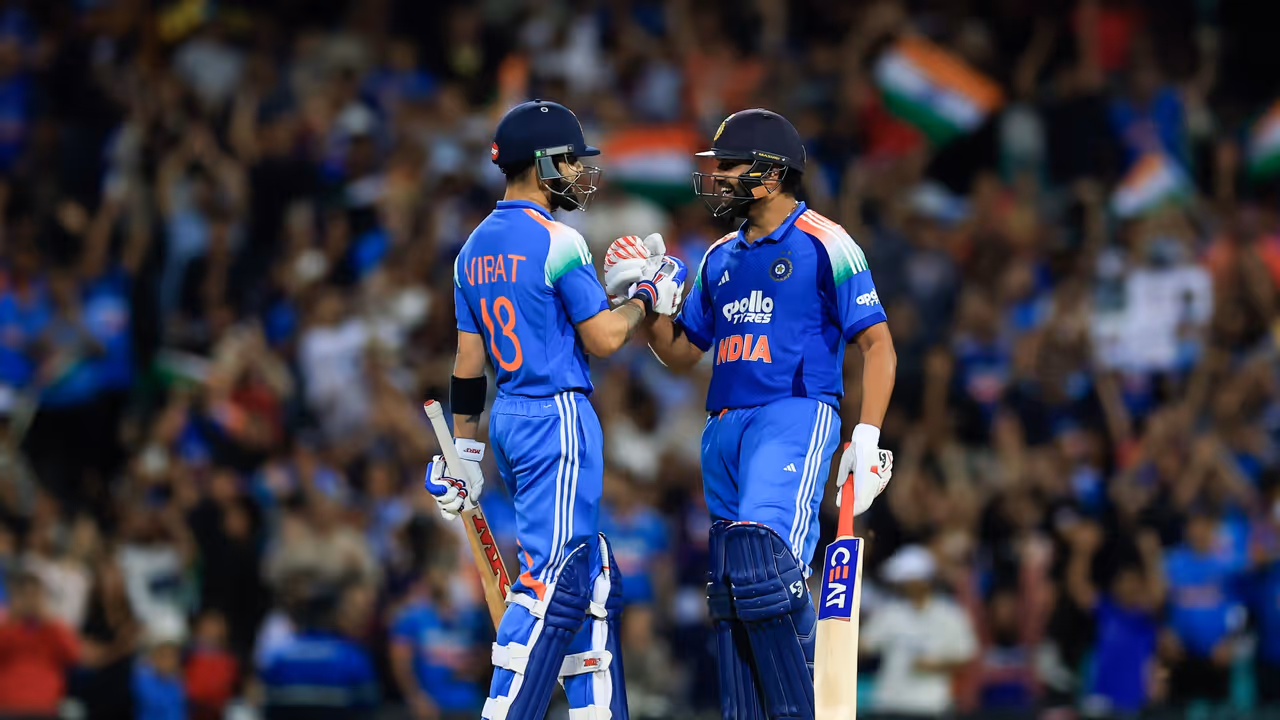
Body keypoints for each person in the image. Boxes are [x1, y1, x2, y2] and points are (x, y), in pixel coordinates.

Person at [611, 108, 896, 719]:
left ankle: (805, 707)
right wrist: (649, 302)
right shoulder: (719, 256)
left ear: (769, 175)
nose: (717, 178)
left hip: (791, 415)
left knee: (764, 565)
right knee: (731, 590)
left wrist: (867, 436)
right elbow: (681, 354)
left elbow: (878, 345)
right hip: (723, 429)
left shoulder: (826, 241)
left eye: (730, 167)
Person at [426, 99, 685, 720]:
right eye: (570, 161)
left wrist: (465, 452)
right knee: (557, 576)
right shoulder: (558, 241)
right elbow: (605, 338)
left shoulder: (471, 249)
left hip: (510, 418)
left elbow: (468, 364)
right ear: (542, 163)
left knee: (592, 581)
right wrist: (647, 294)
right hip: (558, 418)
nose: (578, 172)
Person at [860, 545, 978, 718]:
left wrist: (936, 665)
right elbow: (863, 646)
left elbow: (966, 657)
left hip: (931, 706)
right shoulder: (890, 611)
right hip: (889, 704)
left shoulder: (950, 614)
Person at [258, 581, 379, 719]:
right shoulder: (352, 658)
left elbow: (268, 706)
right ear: (333, 616)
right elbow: (368, 707)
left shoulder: (278, 659)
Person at [389, 558, 489, 720]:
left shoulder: (472, 616)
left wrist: (473, 669)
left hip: (471, 703)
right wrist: (415, 698)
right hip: (432, 706)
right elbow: (400, 660)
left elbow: (486, 654)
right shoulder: (412, 617)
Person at [0, 570, 80, 718]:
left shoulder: (53, 627)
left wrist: (48, 619)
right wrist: (11, 619)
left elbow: (73, 655)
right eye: (24, 595)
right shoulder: (6, 625)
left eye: (34, 595)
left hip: (44, 706)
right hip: (7, 705)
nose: (29, 602)